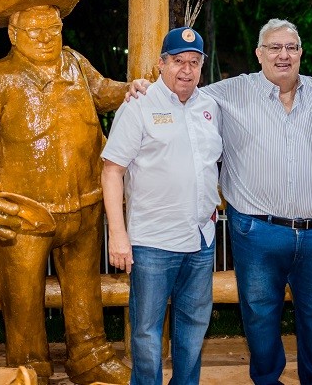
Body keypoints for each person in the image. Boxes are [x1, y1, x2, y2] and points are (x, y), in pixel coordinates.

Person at [129, 18, 312, 384]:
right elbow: (182, 89)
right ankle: (267, 380)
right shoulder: (225, 94)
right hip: (256, 232)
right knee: (258, 316)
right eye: (274, 47)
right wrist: (146, 87)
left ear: (301, 53)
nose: (283, 55)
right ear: (259, 53)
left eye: (291, 47)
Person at [0, 0, 131, 385]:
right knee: (22, 298)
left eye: (52, 27)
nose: (46, 37)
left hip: (84, 205)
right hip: (24, 214)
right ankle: (29, 364)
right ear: (13, 33)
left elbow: (104, 91)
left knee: (84, 288)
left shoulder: (74, 63)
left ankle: (89, 355)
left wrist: (134, 89)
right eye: (34, 30)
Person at [101, 27, 222, 385]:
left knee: (194, 328)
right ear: (160, 64)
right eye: (178, 62)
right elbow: (111, 172)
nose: (186, 70)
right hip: (152, 241)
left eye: (194, 62)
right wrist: (118, 235)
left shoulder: (210, 106)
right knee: (146, 334)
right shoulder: (138, 105)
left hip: (201, 239)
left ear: (202, 65)